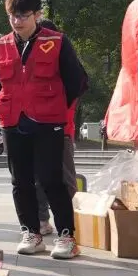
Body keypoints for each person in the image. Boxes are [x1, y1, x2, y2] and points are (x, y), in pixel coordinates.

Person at [0, 0, 86, 260]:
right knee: (20, 180)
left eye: (23, 15)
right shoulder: (0, 46)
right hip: (13, 119)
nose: (17, 21)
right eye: (13, 15)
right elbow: (0, 84)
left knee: (51, 178)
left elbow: (77, 81)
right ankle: (31, 233)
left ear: (37, 14)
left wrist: (54, 104)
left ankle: (66, 236)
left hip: (48, 120)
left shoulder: (57, 41)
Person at [35, 18, 87, 235]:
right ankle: (45, 221)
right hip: (43, 129)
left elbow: (78, 86)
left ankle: (66, 222)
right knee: (43, 179)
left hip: (59, 129)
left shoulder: (65, 63)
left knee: (60, 179)